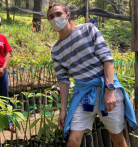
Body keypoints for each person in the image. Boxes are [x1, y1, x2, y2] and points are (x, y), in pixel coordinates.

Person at [47, 3, 137, 147]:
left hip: (105, 87)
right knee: (73, 139)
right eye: (51, 17)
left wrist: (109, 90)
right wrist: (63, 110)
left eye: (58, 14)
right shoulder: (56, 50)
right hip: (83, 94)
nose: (55, 18)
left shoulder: (88, 29)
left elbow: (107, 58)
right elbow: (63, 80)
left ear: (68, 15)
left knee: (116, 136)